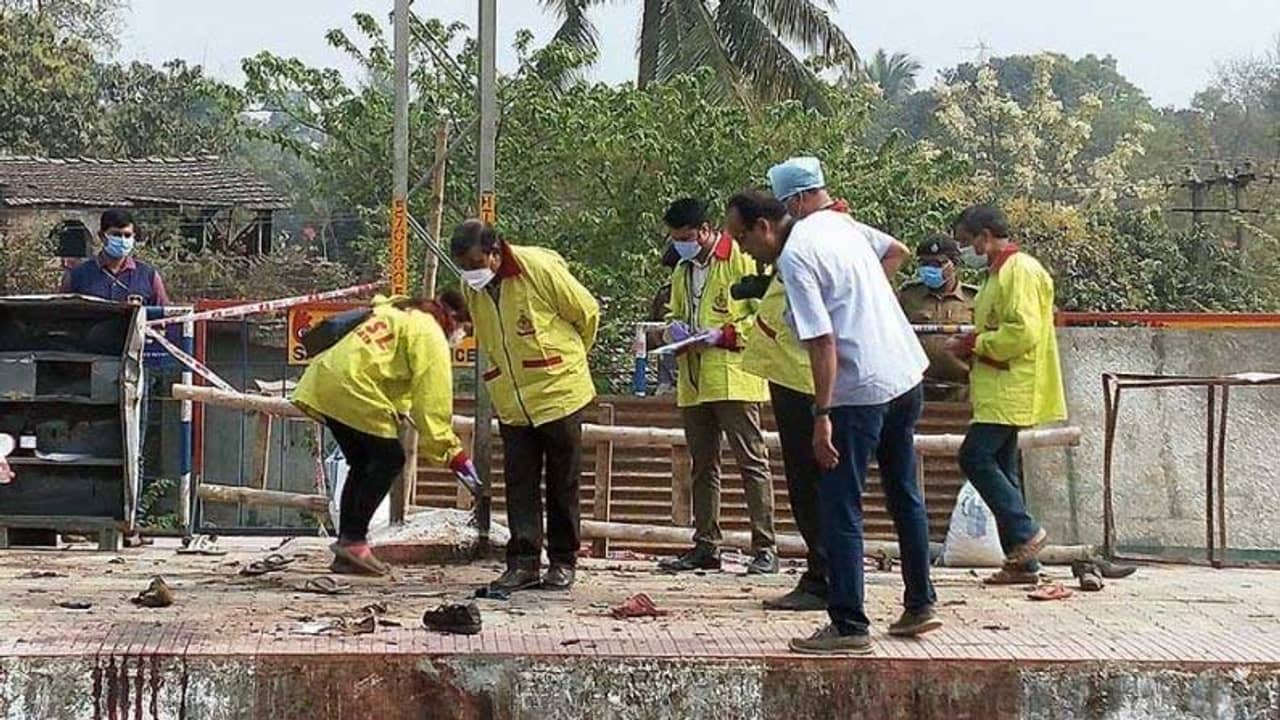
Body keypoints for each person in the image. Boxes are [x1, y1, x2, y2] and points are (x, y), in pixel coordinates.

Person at [766, 157, 941, 655]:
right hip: (905, 373)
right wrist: (870, 303)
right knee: (904, 491)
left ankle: (848, 625)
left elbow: (821, 342)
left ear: (793, 201)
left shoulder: (799, 251)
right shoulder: (847, 226)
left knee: (840, 502)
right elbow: (897, 250)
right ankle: (920, 602)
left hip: (857, 389)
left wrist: (821, 415)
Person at [451, 219, 599, 592]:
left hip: (558, 391)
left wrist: (571, 359)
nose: (470, 274)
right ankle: (523, 562)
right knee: (519, 482)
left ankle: (563, 561)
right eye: (464, 268)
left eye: (475, 264)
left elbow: (587, 312)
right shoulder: (475, 289)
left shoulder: (538, 269)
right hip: (512, 399)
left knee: (563, 482)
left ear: (495, 254)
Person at [292, 292, 478, 576]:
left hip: (325, 380)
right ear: (453, 319)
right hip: (353, 386)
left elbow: (389, 371)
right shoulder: (430, 332)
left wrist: (401, 412)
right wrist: (451, 452)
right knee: (390, 459)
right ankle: (353, 543)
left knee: (364, 462)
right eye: (466, 329)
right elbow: (432, 401)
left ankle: (348, 546)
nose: (463, 336)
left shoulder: (398, 311)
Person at [656, 198, 778, 576]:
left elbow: (766, 313)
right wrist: (674, 330)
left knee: (751, 461)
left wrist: (725, 334)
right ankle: (706, 544)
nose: (682, 244)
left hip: (734, 375)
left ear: (707, 229)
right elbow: (674, 313)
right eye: (676, 239)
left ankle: (765, 547)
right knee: (702, 464)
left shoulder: (740, 259)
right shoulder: (682, 270)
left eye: (688, 237)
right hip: (693, 379)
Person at [946, 205, 1067, 585]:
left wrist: (976, 343)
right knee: (1003, 465)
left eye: (967, 242)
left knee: (974, 456)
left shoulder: (1020, 271)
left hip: (1012, 383)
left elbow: (1022, 332)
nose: (968, 250)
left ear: (985, 236)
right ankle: (1022, 562)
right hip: (997, 384)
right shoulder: (997, 274)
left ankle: (1025, 530)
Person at [723, 189, 826, 609]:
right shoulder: (789, 258)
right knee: (805, 486)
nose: (743, 249)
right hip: (790, 379)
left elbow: (821, 336)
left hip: (807, 385)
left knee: (812, 486)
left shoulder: (801, 254)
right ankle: (823, 573)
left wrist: (825, 406)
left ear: (764, 227)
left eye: (743, 238)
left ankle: (827, 580)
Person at [899, 235, 979, 401]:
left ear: (954, 264)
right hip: (917, 389)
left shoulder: (975, 299)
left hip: (963, 391)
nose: (929, 269)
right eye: (924, 263)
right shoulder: (908, 296)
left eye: (937, 264)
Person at [61, 208, 170, 305]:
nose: (123, 240)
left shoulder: (148, 276)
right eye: (116, 235)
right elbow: (60, 316)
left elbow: (165, 317)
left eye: (127, 235)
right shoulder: (77, 276)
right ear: (102, 236)